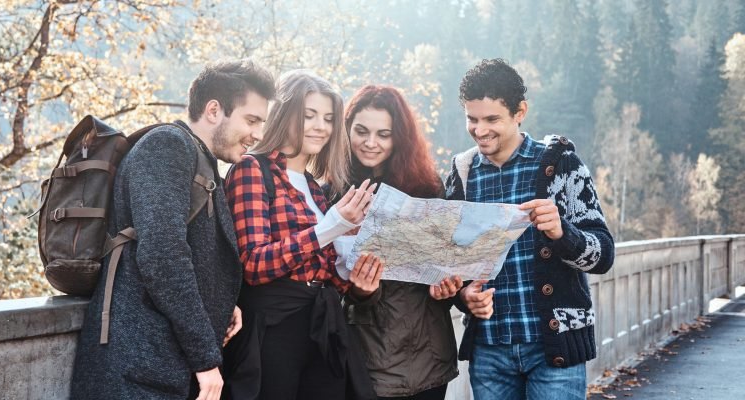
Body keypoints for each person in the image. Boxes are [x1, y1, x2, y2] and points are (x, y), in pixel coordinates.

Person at [70, 60, 276, 400]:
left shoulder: (202, 161)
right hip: (136, 364)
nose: (257, 134)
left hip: (159, 364)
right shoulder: (166, 146)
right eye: (251, 120)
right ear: (214, 110)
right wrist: (206, 360)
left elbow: (191, 253)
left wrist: (223, 304)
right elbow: (163, 257)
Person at [445, 59, 615, 400]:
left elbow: (603, 255)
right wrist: (464, 297)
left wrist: (562, 232)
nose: (480, 130)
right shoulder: (462, 175)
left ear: (519, 111)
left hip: (554, 348)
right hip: (490, 350)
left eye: (491, 119)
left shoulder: (561, 164)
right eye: (472, 119)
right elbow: (451, 264)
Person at [223, 70, 382, 400]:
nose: (320, 126)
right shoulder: (252, 169)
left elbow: (325, 273)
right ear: (284, 114)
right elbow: (252, 264)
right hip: (271, 327)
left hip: (321, 324)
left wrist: (360, 282)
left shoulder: (315, 187)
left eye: (327, 118)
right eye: (309, 115)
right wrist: (330, 226)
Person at [338, 85, 463, 400]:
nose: (371, 143)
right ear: (346, 130)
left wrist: (447, 288)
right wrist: (360, 292)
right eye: (361, 131)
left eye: (384, 134)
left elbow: (449, 261)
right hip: (365, 355)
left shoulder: (427, 186)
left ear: (400, 137)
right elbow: (324, 284)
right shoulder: (333, 190)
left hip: (426, 357)